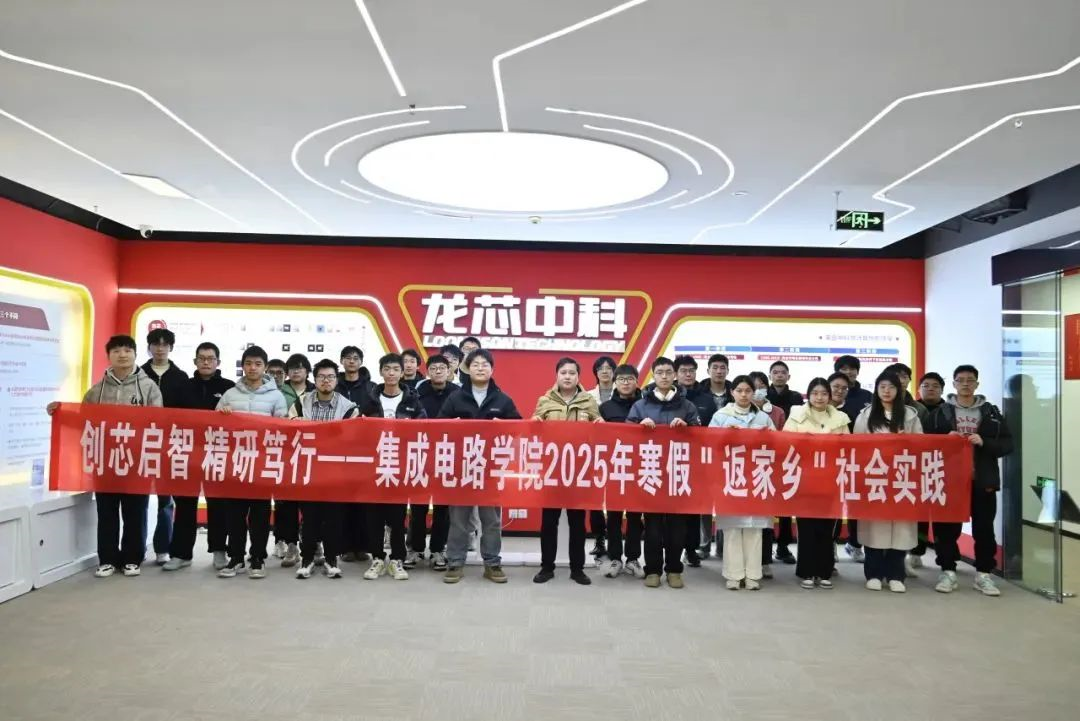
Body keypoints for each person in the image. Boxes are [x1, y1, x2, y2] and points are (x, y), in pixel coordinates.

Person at [48, 335, 163, 578]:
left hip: (136, 461)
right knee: (107, 512)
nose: (122, 355)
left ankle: (132, 558)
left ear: (135, 354)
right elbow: (82, 421)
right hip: (105, 461)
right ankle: (107, 559)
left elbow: (158, 422)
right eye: (116, 351)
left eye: (127, 350)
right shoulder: (96, 391)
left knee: (135, 512)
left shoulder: (149, 388)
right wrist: (60, 413)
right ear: (108, 356)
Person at [438, 349, 521, 584]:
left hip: (491, 468)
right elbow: (439, 426)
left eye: (485, 364)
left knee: (491, 520)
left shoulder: (502, 399)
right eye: (475, 364)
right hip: (462, 467)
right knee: (459, 519)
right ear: (468, 369)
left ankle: (492, 563)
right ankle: (455, 562)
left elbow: (518, 428)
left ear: (492, 369)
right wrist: (451, 426)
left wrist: (504, 426)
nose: (480, 368)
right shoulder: (455, 398)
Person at [935, 365, 1014, 596]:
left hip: (983, 479)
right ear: (954, 384)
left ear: (977, 384)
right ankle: (948, 571)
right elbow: (924, 443)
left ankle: (983, 574)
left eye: (970, 380)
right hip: (949, 481)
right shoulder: (941, 413)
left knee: (984, 529)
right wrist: (945, 439)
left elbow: (1007, 445)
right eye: (960, 380)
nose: (965, 384)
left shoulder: (991, 413)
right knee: (947, 528)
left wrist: (984, 442)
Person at [627, 357, 701, 589]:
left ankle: (674, 570)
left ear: (675, 375)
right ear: (653, 375)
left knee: (677, 527)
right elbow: (625, 435)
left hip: (677, 473)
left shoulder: (687, 406)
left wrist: (687, 429)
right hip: (650, 472)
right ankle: (653, 570)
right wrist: (639, 427)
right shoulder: (640, 406)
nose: (665, 376)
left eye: (669, 372)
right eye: (660, 372)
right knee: (652, 527)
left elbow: (701, 437)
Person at [216, 345, 288, 579]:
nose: (252, 368)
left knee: (259, 515)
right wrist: (222, 415)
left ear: (264, 367)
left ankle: (257, 558)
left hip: (262, 464)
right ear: (243, 366)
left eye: (258, 364)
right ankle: (236, 557)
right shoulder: (230, 394)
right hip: (235, 463)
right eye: (248, 363)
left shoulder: (276, 396)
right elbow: (214, 425)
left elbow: (283, 429)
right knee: (234, 514)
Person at [164, 342, 234, 572]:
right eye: (201, 358)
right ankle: (181, 553)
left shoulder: (229, 388)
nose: (206, 362)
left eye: (210, 358)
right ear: (195, 361)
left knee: (218, 504)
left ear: (218, 362)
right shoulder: (182, 386)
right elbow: (168, 418)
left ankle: (219, 550)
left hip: (217, 453)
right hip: (187, 453)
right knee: (184, 504)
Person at [531, 357, 601, 586]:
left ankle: (577, 569)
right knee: (548, 523)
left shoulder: (589, 401)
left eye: (572, 373)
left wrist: (600, 424)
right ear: (557, 375)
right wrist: (534, 423)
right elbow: (534, 431)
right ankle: (546, 567)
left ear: (578, 377)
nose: (568, 376)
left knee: (578, 523)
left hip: (579, 471)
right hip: (551, 471)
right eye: (563, 372)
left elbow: (600, 431)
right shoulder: (545, 400)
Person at [289, 359, 360, 580]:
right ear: (314, 379)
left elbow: (352, 438)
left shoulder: (349, 407)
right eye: (321, 377)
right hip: (308, 470)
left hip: (336, 472)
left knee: (334, 518)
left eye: (330, 377)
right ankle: (307, 560)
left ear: (337, 380)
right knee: (309, 518)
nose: (326, 381)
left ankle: (331, 560)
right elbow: (290, 429)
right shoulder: (300, 403)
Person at [358, 353, 426, 581]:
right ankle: (377, 558)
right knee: (373, 516)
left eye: (396, 369)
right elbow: (358, 431)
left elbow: (424, 429)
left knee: (397, 517)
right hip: (374, 466)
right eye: (387, 369)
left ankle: (397, 558)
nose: (391, 373)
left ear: (402, 372)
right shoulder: (370, 400)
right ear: (381, 372)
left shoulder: (412, 401)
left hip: (400, 466)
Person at [852, 371, 923, 593]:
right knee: (874, 528)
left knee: (900, 528)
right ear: (876, 389)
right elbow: (856, 447)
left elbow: (922, 445)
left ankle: (896, 574)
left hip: (902, 477)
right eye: (882, 386)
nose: (886, 391)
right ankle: (873, 573)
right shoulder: (866, 415)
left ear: (898, 390)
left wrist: (905, 442)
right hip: (875, 477)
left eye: (891, 387)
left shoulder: (910, 415)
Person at [710, 375, 775, 590]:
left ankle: (753, 575)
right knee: (732, 529)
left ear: (753, 393)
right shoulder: (721, 416)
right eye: (739, 390)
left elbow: (778, 444)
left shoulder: (763, 418)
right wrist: (725, 435)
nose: (744, 394)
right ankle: (733, 574)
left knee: (755, 529)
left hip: (757, 477)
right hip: (731, 477)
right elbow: (708, 444)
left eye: (748, 391)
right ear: (732, 392)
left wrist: (767, 437)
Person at [784, 378, 850, 589]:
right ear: (808, 395)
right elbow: (785, 443)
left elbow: (848, 447)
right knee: (806, 528)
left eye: (823, 393)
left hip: (830, 478)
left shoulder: (840, 418)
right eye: (815, 393)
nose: (819, 397)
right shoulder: (796, 415)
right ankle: (806, 571)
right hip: (804, 478)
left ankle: (824, 571)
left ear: (829, 396)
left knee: (826, 528)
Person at [140, 328, 190, 564]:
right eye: (155, 344)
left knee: (165, 499)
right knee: (138, 498)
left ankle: (162, 548)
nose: (160, 349)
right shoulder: (138, 374)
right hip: (141, 442)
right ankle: (136, 549)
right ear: (149, 347)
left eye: (164, 345)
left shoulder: (181, 377)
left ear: (171, 348)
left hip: (170, 443)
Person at [598, 364, 645, 579]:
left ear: (637, 381)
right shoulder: (605, 408)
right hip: (615, 468)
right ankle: (615, 558)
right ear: (615, 382)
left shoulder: (645, 405)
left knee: (635, 516)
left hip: (641, 468)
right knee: (614, 516)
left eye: (630, 379)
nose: (626, 383)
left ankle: (633, 559)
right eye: (621, 379)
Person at [412, 354, 455, 571]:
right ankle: (416, 548)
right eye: (434, 368)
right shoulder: (417, 393)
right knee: (418, 505)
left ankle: (439, 549)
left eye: (442, 368)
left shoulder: (457, 394)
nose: (438, 371)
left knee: (442, 507)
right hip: (421, 453)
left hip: (447, 455)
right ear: (427, 372)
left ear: (449, 371)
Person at [674, 355, 716, 567]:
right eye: (683, 370)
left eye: (691, 370)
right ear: (676, 373)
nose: (688, 374)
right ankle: (673, 551)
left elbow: (713, 430)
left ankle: (691, 550)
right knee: (673, 509)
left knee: (693, 510)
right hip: (671, 459)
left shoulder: (706, 399)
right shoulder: (667, 396)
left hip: (698, 460)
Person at [336, 345, 374, 563]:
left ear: (361, 361)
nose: (351, 361)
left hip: (365, 449)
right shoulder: (334, 385)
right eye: (347, 358)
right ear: (341, 361)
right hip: (338, 448)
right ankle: (345, 547)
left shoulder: (371, 387)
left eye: (355, 358)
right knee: (343, 500)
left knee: (364, 500)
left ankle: (363, 546)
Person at [274, 353, 313, 566]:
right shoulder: (278, 392)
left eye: (301, 367)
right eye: (292, 368)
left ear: (307, 371)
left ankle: (313, 543)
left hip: (311, 454)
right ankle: (290, 544)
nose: (296, 371)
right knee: (286, 503)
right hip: (285, 453)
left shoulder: (317, 391)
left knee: (310, 503)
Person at [748, 370, 787, 575]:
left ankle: (764, 561)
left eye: (761, 386)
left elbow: (784, 440)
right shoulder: (735, 410)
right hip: (744, 471)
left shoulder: (777, 412)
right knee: (744, 519)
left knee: (764, 519)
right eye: (753, 387)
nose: (758, 390)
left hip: (768, 471)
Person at [909, 371, 948, 576]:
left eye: (935, 386)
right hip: (917, 468)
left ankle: (945, 555)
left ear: (942, 390)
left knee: (943, 516)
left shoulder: (949, 411)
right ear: (919, 389)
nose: (930, 389)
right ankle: (917, 551)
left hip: (943, 468)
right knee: (920, 516)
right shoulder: (912, 410)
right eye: (926, 386)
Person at [764, 361, 801, 565]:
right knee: (767, 502)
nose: (779, 375)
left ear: (789, 376)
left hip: (788, 454)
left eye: (783, 372)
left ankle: (784, 545)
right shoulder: (763, 395)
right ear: (770, 375)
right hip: (765, 456)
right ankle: (766, 545)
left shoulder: (795, 397)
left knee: (786, 502)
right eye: (775, 372)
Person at [834, 358, 870, 562]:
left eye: (852, 369)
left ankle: (855, 543)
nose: (848, 372)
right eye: (843, 368)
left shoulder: (867, 396)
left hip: (861, 459)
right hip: (833, 459)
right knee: (833, 504)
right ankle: (831, 544)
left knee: (858, 504)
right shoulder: (828, 394)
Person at [586, 355, 618, 558]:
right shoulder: (587, 396)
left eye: (608, 368)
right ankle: (599, 540)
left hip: (618, 452)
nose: (605, 371)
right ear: (596, 373)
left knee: (615, 498)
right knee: (595, 499)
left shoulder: (624, 393)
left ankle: (615, 540)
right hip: (594, 451)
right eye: (600, 368)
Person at [886, 362, 929, 427]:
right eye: (896, 377)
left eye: (904, 377)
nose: (901, 381)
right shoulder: (876, 407)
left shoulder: (920, 409)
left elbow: (927, 432)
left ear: (909, 380)